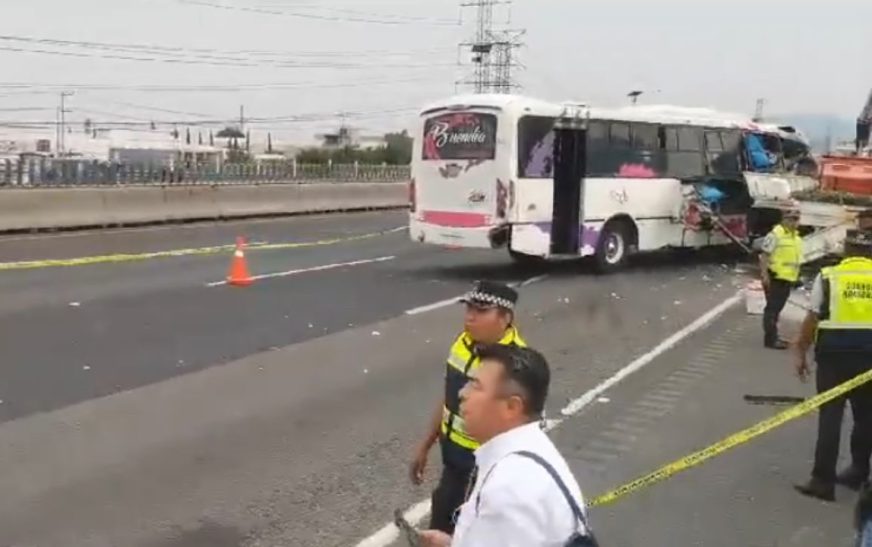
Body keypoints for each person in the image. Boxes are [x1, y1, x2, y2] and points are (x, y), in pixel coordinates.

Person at [418, 345, 593, 547]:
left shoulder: (508, 491)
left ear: (512, 407)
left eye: (476, 386)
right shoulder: (529, 451)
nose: (462, 393)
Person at [410, 281, 527, 535]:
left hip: (482, 469)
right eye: (469, 309)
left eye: (481, 311)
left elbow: (521, 432)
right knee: (441, 520)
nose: (470, 317)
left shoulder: (516, 364)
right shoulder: (462, 344)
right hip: (453, 457)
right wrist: (426, 444)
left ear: (505, 318)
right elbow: (448, 397)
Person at [793, 234, 872, 501]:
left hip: (834, 357)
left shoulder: (829, 276)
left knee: (830, 416)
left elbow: (813, 317)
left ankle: (822, 481)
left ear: (846, 250)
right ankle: (858, 471)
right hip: (870, 358)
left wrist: (801, 350)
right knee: (866, 417)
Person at [759, 207, 803, 349]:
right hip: (775, 277)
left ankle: (774, 337)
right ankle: (771, 340)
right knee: (772, 310)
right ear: (783, 220)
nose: (793, 223)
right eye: (790, 219)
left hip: (787, 279)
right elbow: (764, 256)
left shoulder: (796, 238)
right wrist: (764, 275)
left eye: (796, 220)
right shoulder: (775, 235)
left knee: (777, 310)